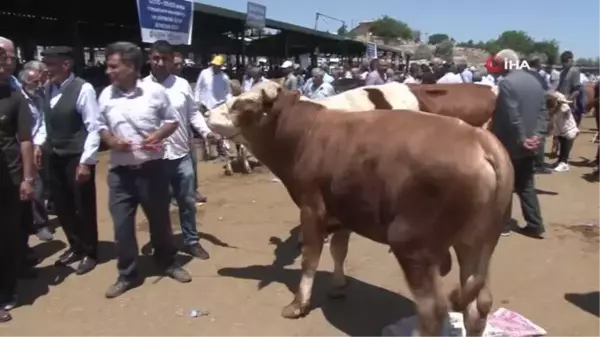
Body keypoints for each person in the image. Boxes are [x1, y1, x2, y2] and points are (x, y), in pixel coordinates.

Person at [97, 41, 191, 299]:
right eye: (108, 66)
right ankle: (127, 274)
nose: (109, 71)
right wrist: (112, 141)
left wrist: (157, 135)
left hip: (152, 171)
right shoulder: (105, 95)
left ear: (131, 66)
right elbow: (99, 126)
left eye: (114, 66)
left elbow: (172, 121)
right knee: (122, 228)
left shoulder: (155, 92)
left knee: (160, 222)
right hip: (120, 174)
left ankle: (168, 262)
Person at [144, 40, 213, 259]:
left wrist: (206, 132)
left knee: (187, 201)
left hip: (182, 154)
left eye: (164, 58)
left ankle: (191, 240)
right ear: (150, 59)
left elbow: (193, 113)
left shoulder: (182, 85)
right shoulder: (141, 88)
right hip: (155, 158)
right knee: (158, 206)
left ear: (171, 60)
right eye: (155, 58)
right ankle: (161, 244)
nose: (159, 62)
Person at [36, 46, 101, 275]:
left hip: (76, 156)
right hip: (54, 156)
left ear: (66, 65)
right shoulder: (47, 89)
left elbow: (94, 128)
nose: (47, 69)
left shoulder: (83, 89)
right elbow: (46, 121)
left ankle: (90, 252)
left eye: (51, 64)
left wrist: (86, 161)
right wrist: (40, 143)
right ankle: (75, 245)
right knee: (62, 206)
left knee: (83, 206)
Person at [490, 49, 546, 239]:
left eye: (498, 64)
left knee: (506, 183)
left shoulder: (506, 83)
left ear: (505, 64)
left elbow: (513, 116)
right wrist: (537, 135)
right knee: (526, 185)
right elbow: (542, 112)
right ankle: (535, 224)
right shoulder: (535, 81)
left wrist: (523, 139)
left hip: (511, 142)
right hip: (533, 142)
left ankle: (504, 225)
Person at [0, 43, 35, 323]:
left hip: (8, 179)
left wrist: (27, 177)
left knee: (8, 238)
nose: (4, 63)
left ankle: (5, 291)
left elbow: (25, 139)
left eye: (6, 57)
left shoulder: (14, 96)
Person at [18, 65, 54, 242]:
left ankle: (40, 223)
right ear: (24, 83)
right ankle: (25, 224)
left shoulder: (39, 97)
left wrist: (37, 144)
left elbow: (42, 123)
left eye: (39, 81)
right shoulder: (17, 98)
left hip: (34, 145)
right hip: (17, 147)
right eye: (34, 82)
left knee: (37, 185)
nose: (38, 85)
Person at [194, 55, 231, 160]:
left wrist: (228, 104)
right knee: (204, 128)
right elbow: (198, 88)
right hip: (204, 106)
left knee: (219, 130)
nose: (216, 67)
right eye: (214, 65)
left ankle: (222, 153)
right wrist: (197, 102)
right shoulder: (204, 74)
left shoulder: (224, 77)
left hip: (219, 106)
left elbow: (228, 93)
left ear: (221, 66)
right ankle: (205, 153)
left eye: (218, 66)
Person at [557, 51, 583, 125]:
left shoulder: (575, 71)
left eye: (564, 62)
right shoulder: (562, 72)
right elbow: (559, 87)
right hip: (561, 101)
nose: (563, 64)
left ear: (570, 60)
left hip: (570, 103)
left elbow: (576, 91)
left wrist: (567, 102)